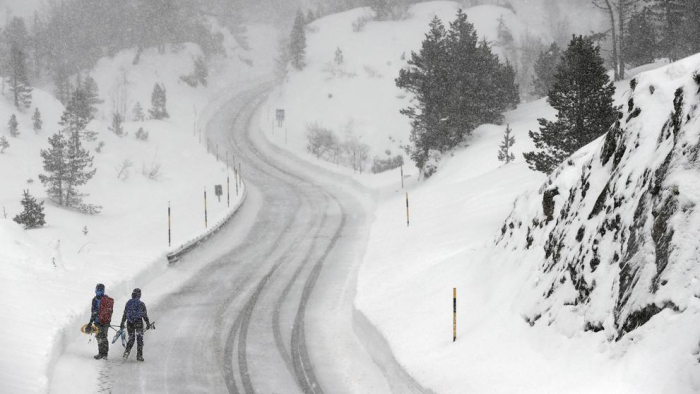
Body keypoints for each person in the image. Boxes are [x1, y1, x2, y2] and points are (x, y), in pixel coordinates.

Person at [120, 288, 151, 362]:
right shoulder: (141, 304)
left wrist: (122, 323)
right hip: (138, 323)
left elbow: (125, 313)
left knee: (131, 338)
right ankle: (139, 356)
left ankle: (126, 353)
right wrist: (148, 323)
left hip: (129, 323)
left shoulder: (128, 302)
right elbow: (145, 315)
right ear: (139, 295)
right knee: (139, 339)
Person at [86, 283, 113, 360]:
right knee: (103, 336)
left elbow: (93, 312)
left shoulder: (95, 300)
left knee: (100, 337)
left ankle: (101, 353)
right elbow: (110, 311)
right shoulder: (106, 299)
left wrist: (90, 322)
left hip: (98, 321)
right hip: (105, 322)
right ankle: (104, 354)